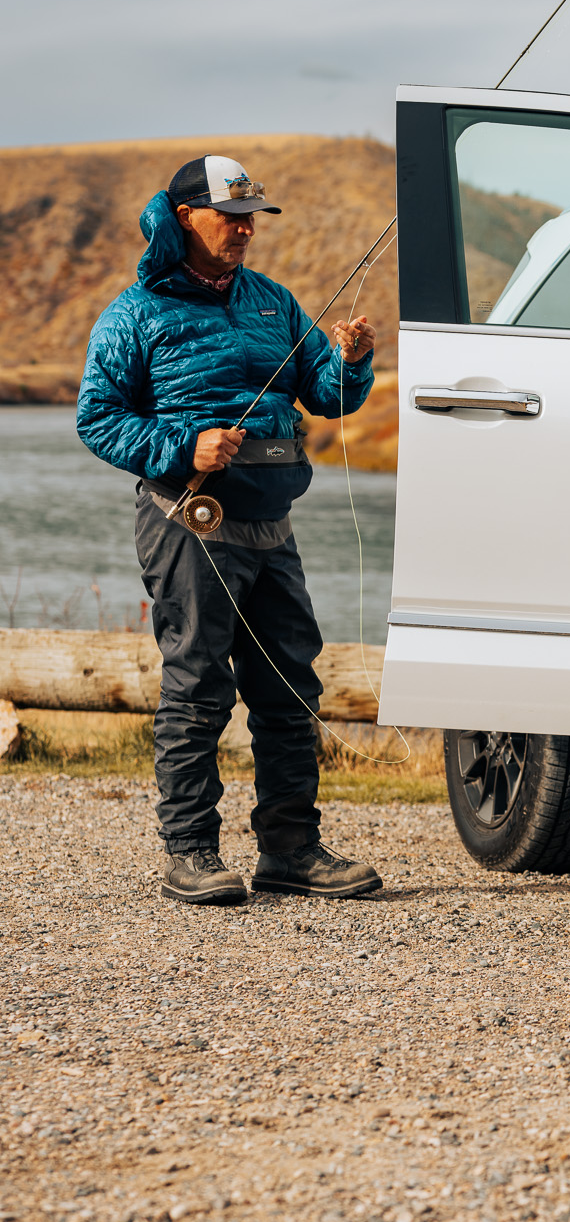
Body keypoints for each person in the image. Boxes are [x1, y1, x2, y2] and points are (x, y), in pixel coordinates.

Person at [77, 154, 383, 906]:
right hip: (188, 521)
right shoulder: (133, 315)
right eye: (232, 216)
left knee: (289, 687)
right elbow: (98, 419)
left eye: (253, 218)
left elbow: (327, 395)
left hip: (271, 523)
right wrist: (185, 447)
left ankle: (291, 850)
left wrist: (353, 361)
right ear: (186, 217)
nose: (246, 230)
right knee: (199, 686)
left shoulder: (273, 302)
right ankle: (191, 852)